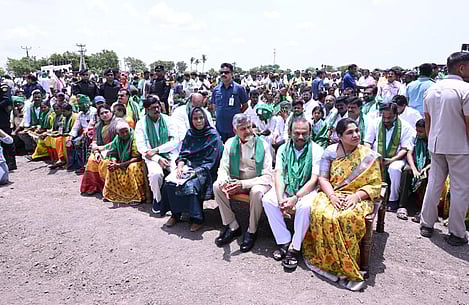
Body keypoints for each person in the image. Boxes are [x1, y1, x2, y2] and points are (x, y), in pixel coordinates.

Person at [302, 118, 382, 291]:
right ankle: (326, 262)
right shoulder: (330, 151)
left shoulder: (368, 155)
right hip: (332, 193)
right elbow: (323, 178)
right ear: (339, 136)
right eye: (349, 132)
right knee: (321, 213)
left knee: (345, 217)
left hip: (360, 197)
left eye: (357, 131)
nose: (355, 135)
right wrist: (331, 196)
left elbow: (375, 184)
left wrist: (356, 197)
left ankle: (347, 267)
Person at [420, 52, 469, 246]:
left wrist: (432, 141)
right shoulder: (465, 89)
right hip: (459, 147)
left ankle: (427, 224)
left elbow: (427, 120)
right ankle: (457, 232)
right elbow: (468, 123)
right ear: (461, 68)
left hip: (436, 144)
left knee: (434, 184)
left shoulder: (432, 89)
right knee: (460, 189)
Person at [262, 117, 323, 270]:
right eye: (297, 133)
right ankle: (284, 239)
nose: (301, 137)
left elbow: (314, 180)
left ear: (310, 133)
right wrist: (280, 199)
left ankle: (294, 247)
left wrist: (295, 198)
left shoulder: (317, 150)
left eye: (304, 133)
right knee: (268, 200)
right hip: (287, 187)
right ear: (290, 133)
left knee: (304, 207)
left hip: (306, 190)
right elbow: (279, 174)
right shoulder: (283, 148)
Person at [213, 113, 272, 252]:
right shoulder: (230, 143)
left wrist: (243, 184)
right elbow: (223, 168)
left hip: (257, 182)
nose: (248, 131)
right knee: (217, 186)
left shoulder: (262, 144)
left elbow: (268, 176)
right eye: (243, 129)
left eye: (249, 127)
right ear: (235, 131)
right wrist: (224, 181)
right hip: (236, 179)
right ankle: (233, 226)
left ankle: (252, 231)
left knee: (257, 192)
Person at [161, 107, 224, 231]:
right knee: (170, 183)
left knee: (191, 185)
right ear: (191, 120)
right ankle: (175, 214)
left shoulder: (213, 135)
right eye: (195, 118)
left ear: (205, 119)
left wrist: (195, 172)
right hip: (188, 167)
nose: (198, 121)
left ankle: (197, 218)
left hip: (206, 170)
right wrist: (179, 167)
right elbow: (183, 154)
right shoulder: (190, 134)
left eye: (201, 118)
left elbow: (212, 161)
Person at [364, 102, 415, 211]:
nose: (386, 120)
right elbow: (368, 142)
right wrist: (373, 156)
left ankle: (393, 200)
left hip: (397, 158)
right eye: (384, 117)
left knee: (394, 169)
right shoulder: (375, 123)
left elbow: (405, 149)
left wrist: (391, 160)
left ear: (396, 115)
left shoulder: (405, 127)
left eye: (390, 117)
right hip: (375, 156)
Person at [135, 95, 180, 214]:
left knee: (176, 173)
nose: (157, 110)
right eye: (153, 108)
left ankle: (175, 202)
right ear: (146, 110)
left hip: (170, 153)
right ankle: (158, 199)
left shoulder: (168, 120)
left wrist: (157, 150)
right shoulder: (141, 124)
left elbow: (175, 141)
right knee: (156, 175)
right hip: (151, 157)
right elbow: (142, 147)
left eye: (158, 106)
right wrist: (157, 158)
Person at [102, 120, 145, 204]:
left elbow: (136, 157)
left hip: (136, 162)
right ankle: (113, 194)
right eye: (122, 133)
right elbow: (113, 152)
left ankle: (135, 197)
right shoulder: (117, 139)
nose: (125, 134)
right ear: (118, 134)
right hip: (121, 162)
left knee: (132, 168)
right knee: (109, 165)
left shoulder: (135, 138)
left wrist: (119, 165)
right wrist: (114, 163)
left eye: (126, 131)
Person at [80, 104, 117, 195]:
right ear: (99, 116)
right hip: (100, 150)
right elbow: (94, 141)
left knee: (105, 163)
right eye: (102, 113)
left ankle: (108, 188)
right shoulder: (98, 126)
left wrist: (104, 149)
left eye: (106, 112)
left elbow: (118, 142)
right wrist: (96, 152)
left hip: (114, 150)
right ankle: (93, 187)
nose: (105, 115)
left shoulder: (117, 124)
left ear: (111, 112)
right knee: (92, 160)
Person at [210, 63, 249, 142]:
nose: (223, 74)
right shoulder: (216, 89)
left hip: (234, 128)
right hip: (220, 127)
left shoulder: (239, 88)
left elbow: (245, 105)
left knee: (234, 150)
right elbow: (213, 106)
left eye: (226, 72)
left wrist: (236, 116)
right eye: (221, 72)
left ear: (232, 74)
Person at [67, 95, 97, 172]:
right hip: (84, 133)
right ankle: (74, 165)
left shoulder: (94, 112)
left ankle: (85, 165)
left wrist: (80, 139)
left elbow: (90, 127)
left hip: (92, 133)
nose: (78, 106)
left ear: (86, 104)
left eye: (80, 104)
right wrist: (70, 139)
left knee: (82, 142)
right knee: (70, 141)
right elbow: (75, 128)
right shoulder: (80, 114)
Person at [0, 80, 16, 171]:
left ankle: (11, 162)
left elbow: (7, 100)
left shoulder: (3, 87)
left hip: (3, 117)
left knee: (7, 139)